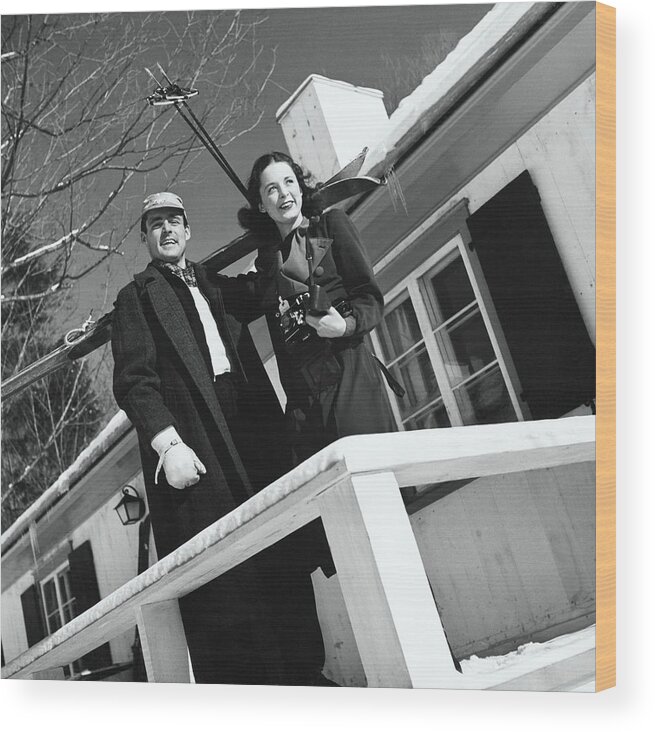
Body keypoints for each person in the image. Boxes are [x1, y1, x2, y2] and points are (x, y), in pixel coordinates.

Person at [111, 192, 309, 685]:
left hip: (248, 428)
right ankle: (242, 696)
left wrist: (274, 232)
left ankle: (305, 676)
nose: (167, 230)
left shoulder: (211, 283)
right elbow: (135, 380)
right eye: (155, 224)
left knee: (277, 550)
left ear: (188, 230)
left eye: (174, 221)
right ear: (145, 236)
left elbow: (265, 289)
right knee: (221, 572)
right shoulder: (135, 297)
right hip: (195, 437)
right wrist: (166, 444)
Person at [237, 152, 397, 464]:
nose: (283, 193)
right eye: (271, 189)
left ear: (300, 187)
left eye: (288, 182)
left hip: (350, 379)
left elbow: (370, 298)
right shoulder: (268, 265)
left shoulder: (330, 225)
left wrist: (345, 324)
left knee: (375, 485)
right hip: (303, 403)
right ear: (260, 204)